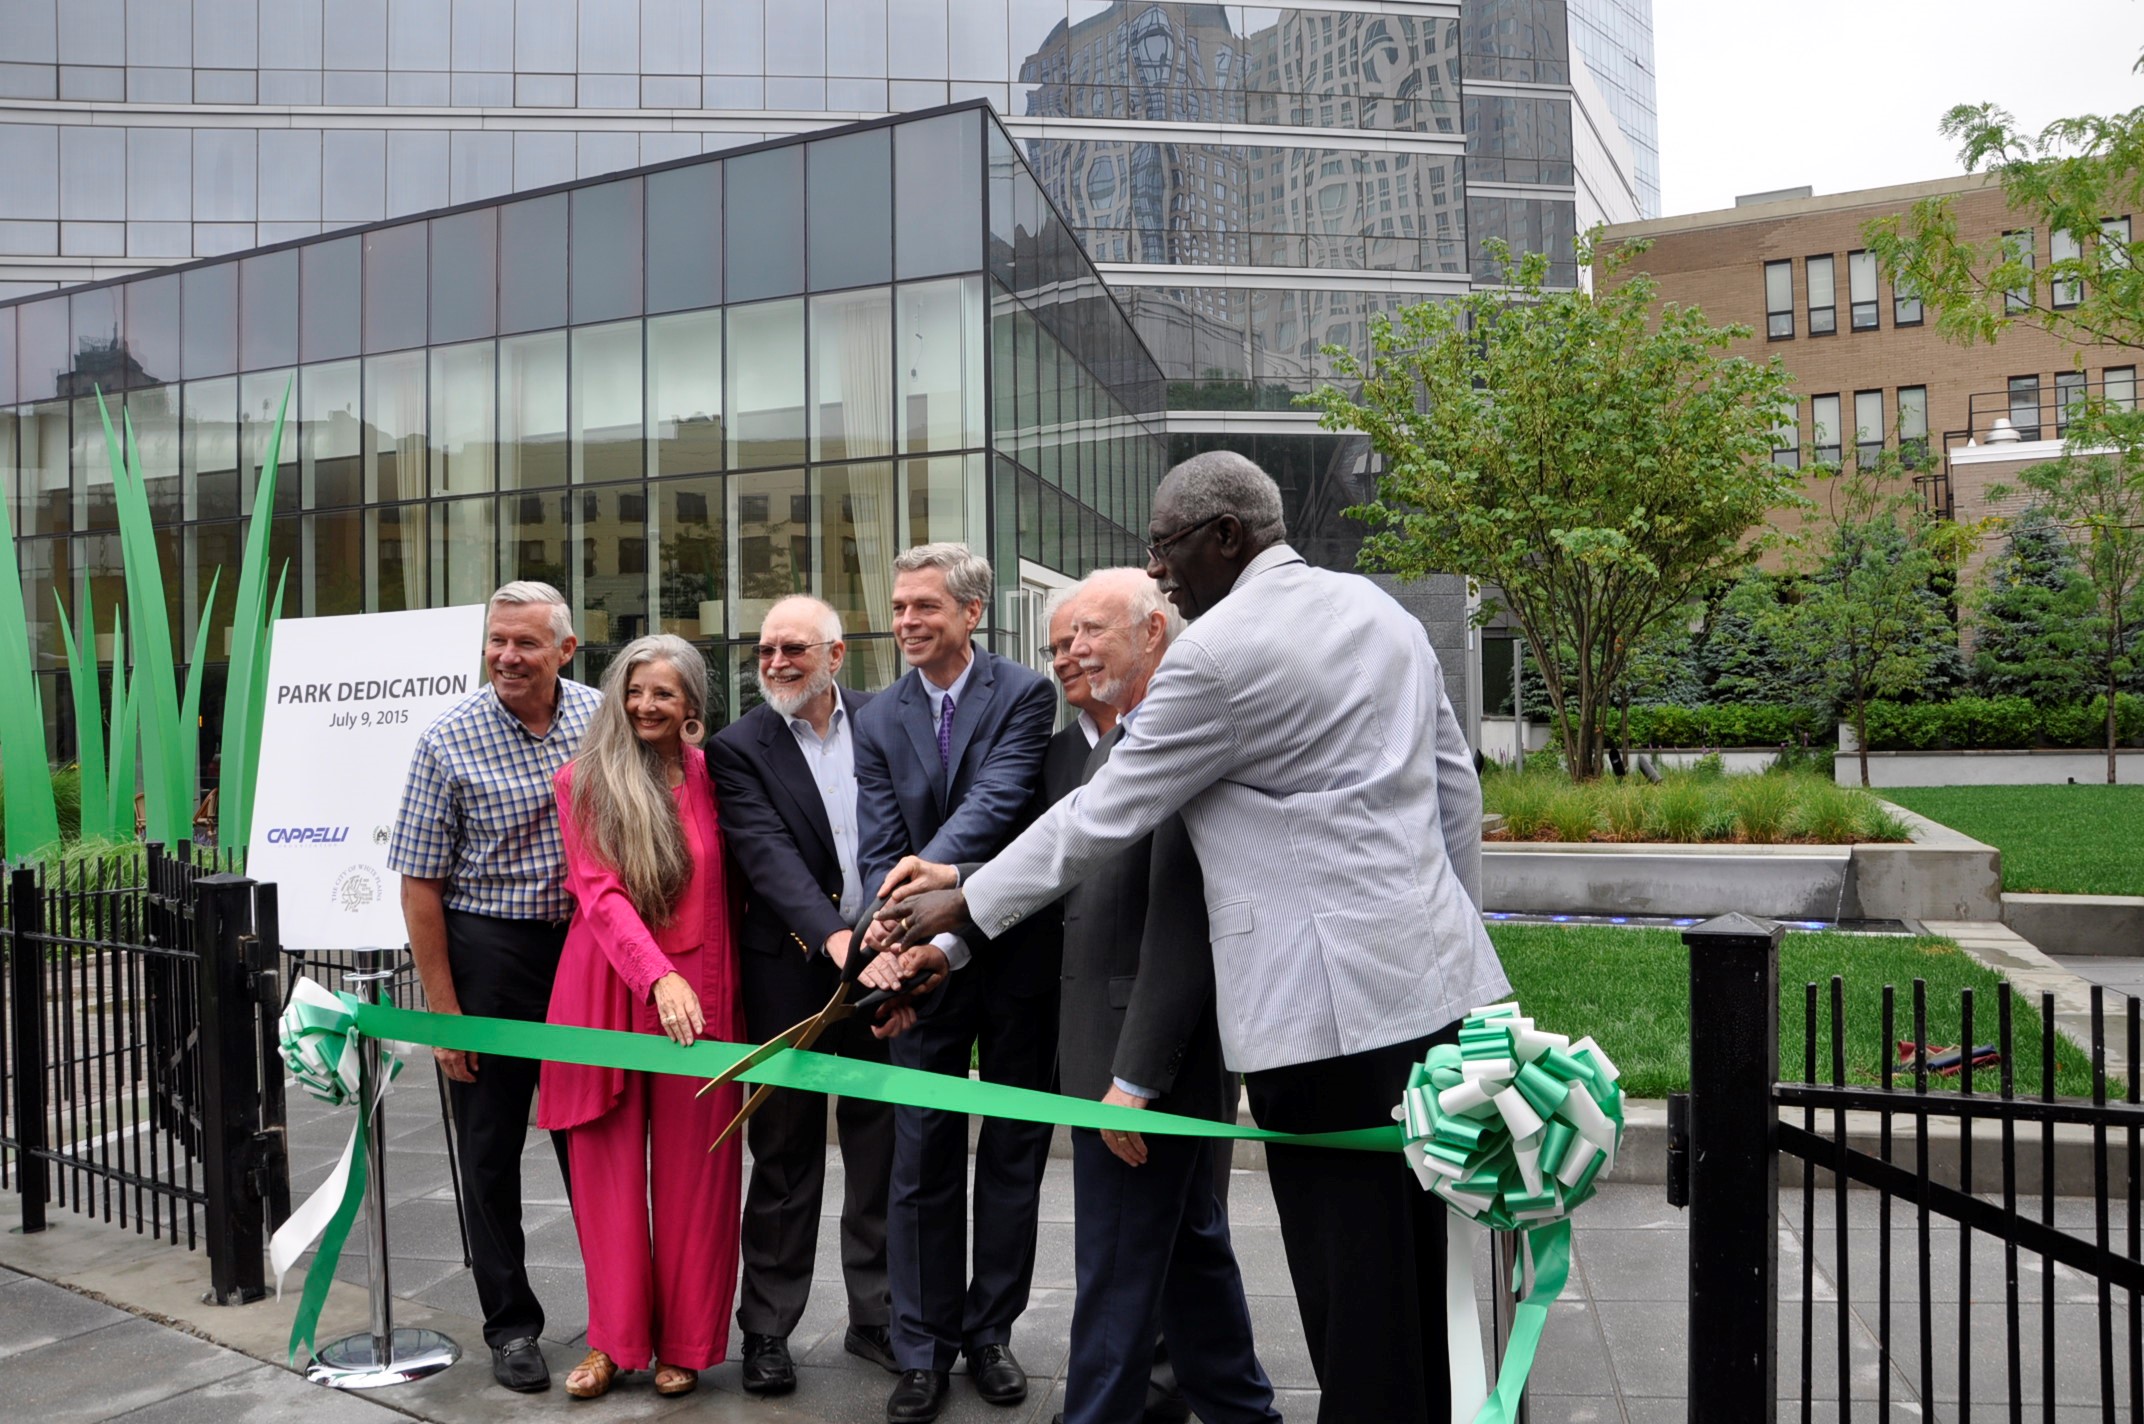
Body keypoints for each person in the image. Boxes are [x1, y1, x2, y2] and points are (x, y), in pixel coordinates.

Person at [870, 452, 1510, 1424]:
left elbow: (1105, 814)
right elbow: (1452, 784)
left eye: (1164, 547)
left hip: (1319, 1019)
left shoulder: (1216, 655)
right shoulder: (1383, 613)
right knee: (1432, 1265)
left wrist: (961, 900)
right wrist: (1449, 928)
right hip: (1437, 993)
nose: (1157, 570)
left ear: (1224, 536)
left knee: (1353, 1288)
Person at [1036, 569, 1284, 1424]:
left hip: (1145, 1070)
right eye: (1065, 639)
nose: (1072, 650)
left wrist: (1134, 1080)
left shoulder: (1179, 742)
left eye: (1091, 632)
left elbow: (1181, 926)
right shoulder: (1117, 744)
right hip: (1116, 1059)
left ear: (1153, 632)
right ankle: (1246, 1413)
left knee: (1115, 1278)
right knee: (1188, 1259)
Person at [849, 542, 1058, 1423]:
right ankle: (923, 1348)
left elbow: (1003, 801)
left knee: (1013, 1151)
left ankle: (991, 1336)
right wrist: (884, 946)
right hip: (920, 971)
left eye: (923, 607)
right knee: (920, 1153)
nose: (904, 623)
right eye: (898, 608)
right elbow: (873, 844)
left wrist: (933, 878)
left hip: (1011, 951)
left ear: (971, 613)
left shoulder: (1023, 694)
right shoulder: (876, 716)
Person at [388, 581, 600, 1393]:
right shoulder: (448, 739)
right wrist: (445, 1016)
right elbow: (419, 887)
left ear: (565, 650)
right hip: (488, 955)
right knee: (489, 1150)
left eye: (526, 644)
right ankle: (511, 1325)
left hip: (582, 950)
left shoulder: (598, 716)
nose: (508, 657)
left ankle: (615, 1319)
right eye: (496, 642)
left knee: (595, 1139)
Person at [537, 634, 740, 1400]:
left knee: (701, 1178)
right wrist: (657, 977)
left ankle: (685, 1344)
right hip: (607, 993)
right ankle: (612, 1342)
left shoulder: (714, 776)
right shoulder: (581, 781)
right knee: (606, 1178)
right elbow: (599, 891)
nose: (646, 705)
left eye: (664, 693)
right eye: (634, 690)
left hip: (704, 994)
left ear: (691, 704)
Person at [708, 596, 898, 1397]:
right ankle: (768, 1330)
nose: (777, 662)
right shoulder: (737, 748)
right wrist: (836, 940)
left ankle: (879, 1317)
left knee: (882, 1150)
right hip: (791, 973)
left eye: (794, 648)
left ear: (836, 654)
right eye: (765, 650)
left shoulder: (887, 721)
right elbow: (766, 855)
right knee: (782, 1158)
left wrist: (895, 942)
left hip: (886, 968)